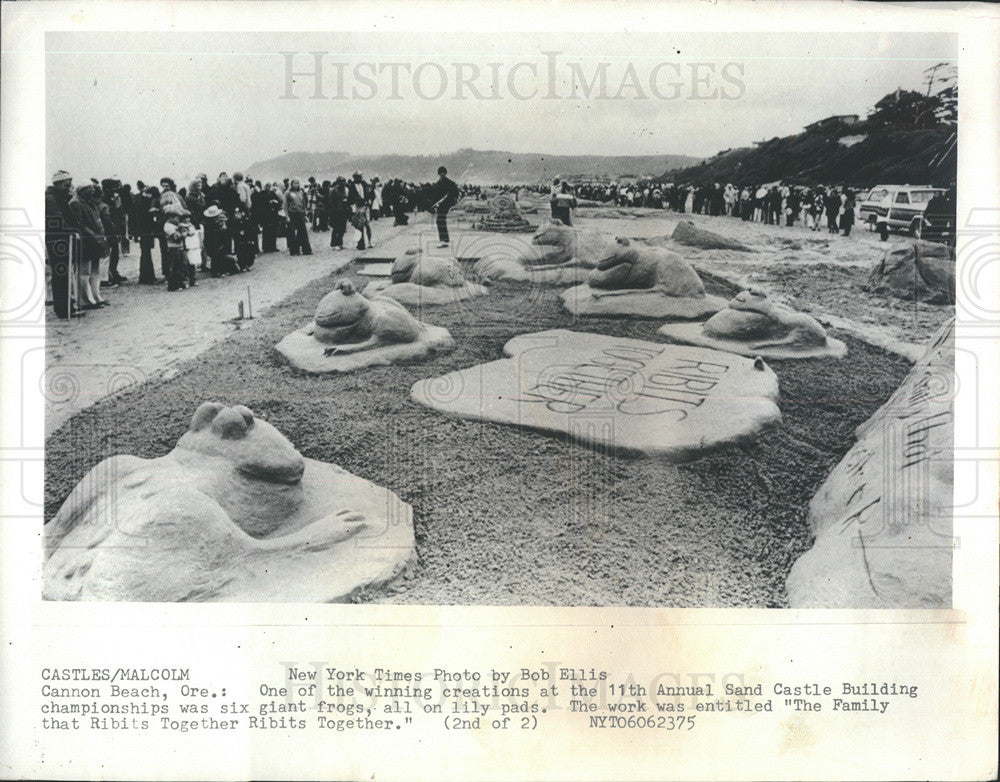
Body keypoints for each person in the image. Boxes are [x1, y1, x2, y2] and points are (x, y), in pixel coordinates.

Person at [45, 170, 83, 318]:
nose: (70, 187)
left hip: (63, 239)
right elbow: (56, 220)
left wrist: (75, 229)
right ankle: (63, 309)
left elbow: (69, 217)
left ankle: (68, 306)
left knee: (65, 273)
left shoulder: (59, 197)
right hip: (57, 240)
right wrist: (71, 231)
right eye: (67, 185)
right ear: (59, 184)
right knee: (61, 273)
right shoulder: (51, 198)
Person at [68, 184, 109, 309]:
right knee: (84, 272)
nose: (91, 192)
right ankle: (85, 300)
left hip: (95, 240)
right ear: (82, 190)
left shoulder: (88, 202)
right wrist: (94, 235)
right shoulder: (75, 203)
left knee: (95, 271)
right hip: (86, 242)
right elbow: (79, 224)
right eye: (88, 189)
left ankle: (95, 296)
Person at [202, 205, 240, 276]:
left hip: (214, 243)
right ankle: (217, 271)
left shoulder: (210, 223)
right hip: (214, 243)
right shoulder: (211, 224)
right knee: (217, 256)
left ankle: (221, 270)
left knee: (218, 256)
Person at [428, 165, 459, 248]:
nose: (442, 174)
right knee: (440, 221)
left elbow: (456, 193)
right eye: (440, 173)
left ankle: (443, 240)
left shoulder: (449, 183)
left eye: (443, 173)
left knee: (440, 221)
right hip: (440, 205)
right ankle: (445, 239)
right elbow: (434, 194)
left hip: (444, 205)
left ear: (445, 173)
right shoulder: (439, 183)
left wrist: (451, 200)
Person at [282, 179, 312, 255]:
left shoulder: (301, 192)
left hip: (300, 213)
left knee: (303, 232)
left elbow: (304, 203)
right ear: (292, 184)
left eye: (298, 183)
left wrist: (305, 213)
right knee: (292, 233)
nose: (297, 185)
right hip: (292, 214)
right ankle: (294, 250)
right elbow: (285, 205)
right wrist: (287, 216)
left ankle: (306, 250)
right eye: (295, 183)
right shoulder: (288, 193)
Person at [346, 172, 372, 250]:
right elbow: (350, 198)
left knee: (367, 225)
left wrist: (367, 201)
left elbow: (368, 193)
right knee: (359, 226)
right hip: (357, 207)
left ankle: (369, 242)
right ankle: (361, 244)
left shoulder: (364, 184)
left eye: (360, 177)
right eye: (359, 177)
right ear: (355, 178)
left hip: (365, 206)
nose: (360, 178)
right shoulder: (352, 186)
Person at [230, 205, 258, 271]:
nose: (237, 215)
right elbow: (233, 232)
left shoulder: (247, 221)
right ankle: (242, 265)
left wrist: (251, 240)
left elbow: (251, 231)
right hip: (239, 241)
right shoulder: (233, 222)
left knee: (250, 252)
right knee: (240, 253)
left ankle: (249, 264)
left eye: (238, 213)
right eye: (236, 214)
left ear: (242, 213)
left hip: (247, 240)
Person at [328, 177, 350, 250]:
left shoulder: (345, 190)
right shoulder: (334, 190)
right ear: (338, 182)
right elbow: (331, 202)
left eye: (344, 181)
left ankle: (340, 243)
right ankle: (334, 244)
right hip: (336, 212)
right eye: (342, 182)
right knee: (336, 228)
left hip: (343, 211)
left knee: (343, 228)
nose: (343, 183)